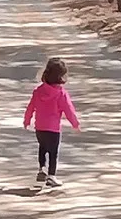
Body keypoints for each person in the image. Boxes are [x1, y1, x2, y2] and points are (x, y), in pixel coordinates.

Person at [23, 57, 80, 187]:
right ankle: (51, 175)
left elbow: (30, 107)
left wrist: (27, 120)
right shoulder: (61, 94)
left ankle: (42, 167)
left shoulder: (38, 91)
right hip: (53, 129)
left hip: (40, 128)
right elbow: (68, 110)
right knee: (53, 152)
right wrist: (75, 124)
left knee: (42, 147)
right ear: (61, 76)